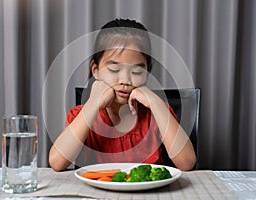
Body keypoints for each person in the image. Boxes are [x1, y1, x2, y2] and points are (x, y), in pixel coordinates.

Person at [49, 18, 196, 171]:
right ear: (95, 70)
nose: (125, 80)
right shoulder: (80, 114)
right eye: (114, 70)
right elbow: (57, 162)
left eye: (137, 71)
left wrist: (155, 102)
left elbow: (186, 163)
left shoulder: (157, 112)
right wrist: (92, 104)